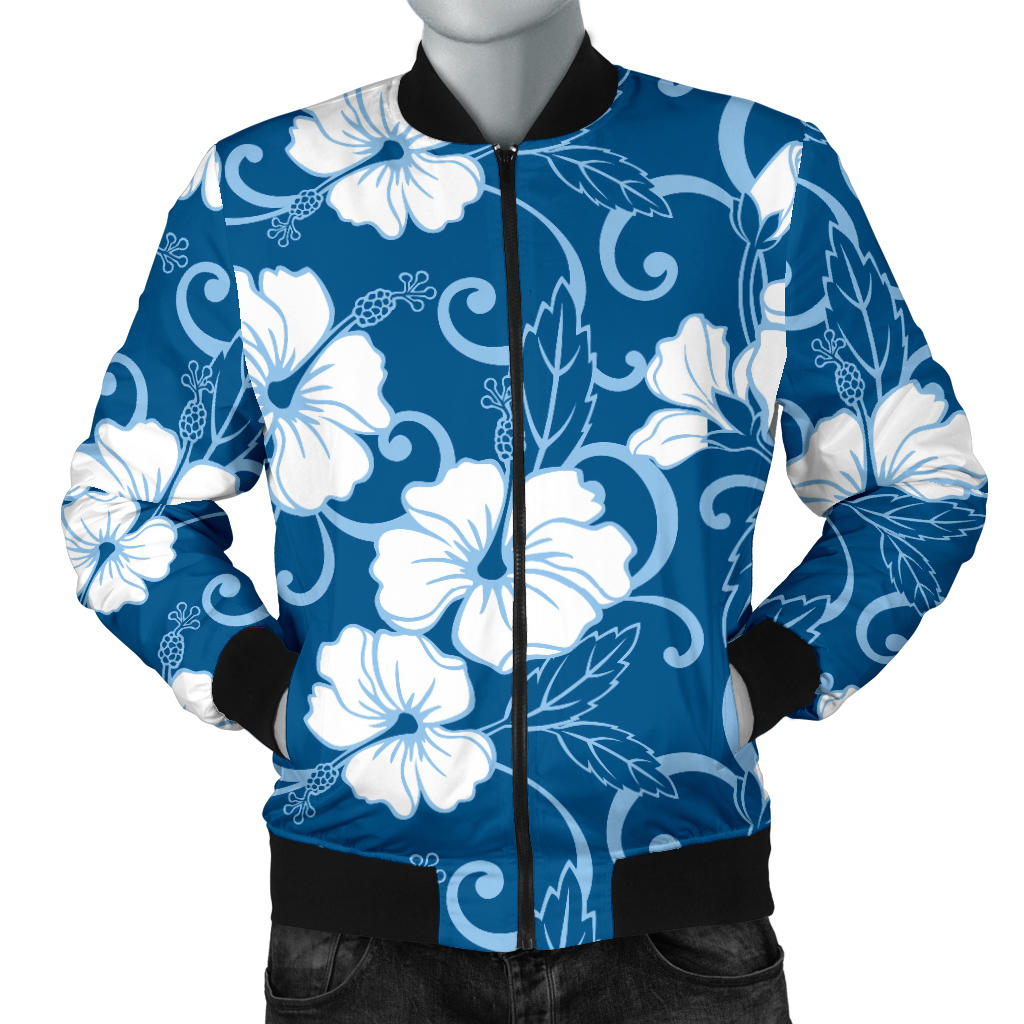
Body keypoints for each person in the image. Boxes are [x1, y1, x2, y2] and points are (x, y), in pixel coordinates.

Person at [61, 1, 987, 1020]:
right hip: (361, 927)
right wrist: (272, 694)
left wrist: (753, 684)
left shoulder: (755, 173)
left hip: (677, 914)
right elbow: (124, 502)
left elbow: (919, 477)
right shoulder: (260, 188)